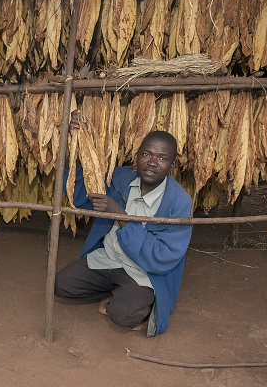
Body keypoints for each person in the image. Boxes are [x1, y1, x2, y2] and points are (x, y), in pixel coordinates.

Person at [55, 111, 193, 336]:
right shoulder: (121, 178)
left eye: (162, 158)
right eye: (146, 154)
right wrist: (76, 144)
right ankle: (117, 291)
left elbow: (162, 257)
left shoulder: (178, 203)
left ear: (172, 164)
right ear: (136, 156)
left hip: (142, 272)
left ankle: (131, 299)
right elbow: (82, 194)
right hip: (108, 259)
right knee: (61, 284)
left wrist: (119, 213)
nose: (151, 163)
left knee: (123, 315)